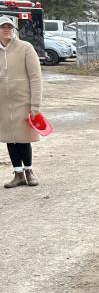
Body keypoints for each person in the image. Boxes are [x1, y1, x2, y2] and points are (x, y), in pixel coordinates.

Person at [0, 15, 43, 188]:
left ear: (14, 29)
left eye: (9, 27)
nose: (6, 30)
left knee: (24, 138)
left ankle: (29, 171)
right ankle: (18, 174)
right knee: (10, 138)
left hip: (23, 102)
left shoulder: (26, 48)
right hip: (3, 104)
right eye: (3, 27)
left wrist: (35, 105)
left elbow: (35, 77)